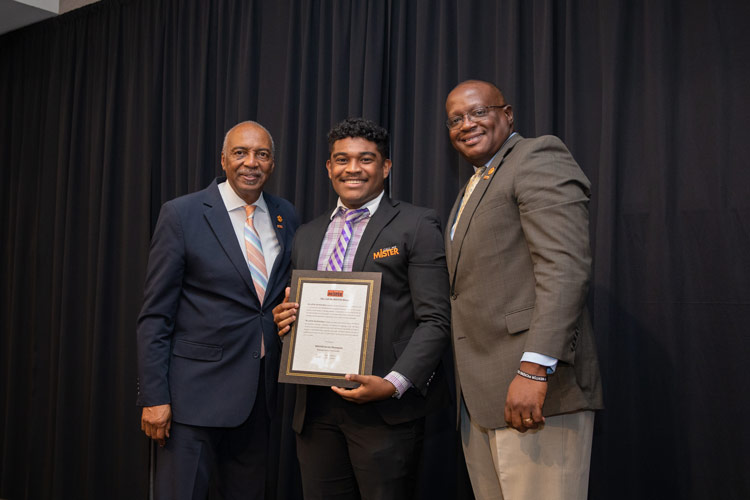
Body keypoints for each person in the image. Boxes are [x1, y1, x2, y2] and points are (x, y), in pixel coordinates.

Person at [273, 117, 451, 500]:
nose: (352, 168)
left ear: (385, 167)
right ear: (329, 168)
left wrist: (393, 383)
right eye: (342, 159)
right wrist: (286, 318)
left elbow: (436, 319)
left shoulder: (417, 224)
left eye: (365, 159)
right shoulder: (307, 234)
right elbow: (299, 308)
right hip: (316, 410)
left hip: (385, 410)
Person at [443, 80, 604, 499]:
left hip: (537, 392)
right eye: (455, 119)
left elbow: (565, 268)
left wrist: (533, 369)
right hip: (481, 400)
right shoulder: (473, 186)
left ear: (507, 114)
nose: (466, 124)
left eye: (478, 112)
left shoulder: (536, 156)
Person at [136, 121, 298, 499]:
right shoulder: (182, 214)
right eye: (240, 153)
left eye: (262, 154)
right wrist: (154, 397)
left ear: (273, 164)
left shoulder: (285, 215)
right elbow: (155, 315)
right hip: (192, 401)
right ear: (223, 160)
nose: (251, 163)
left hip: (259, 399)